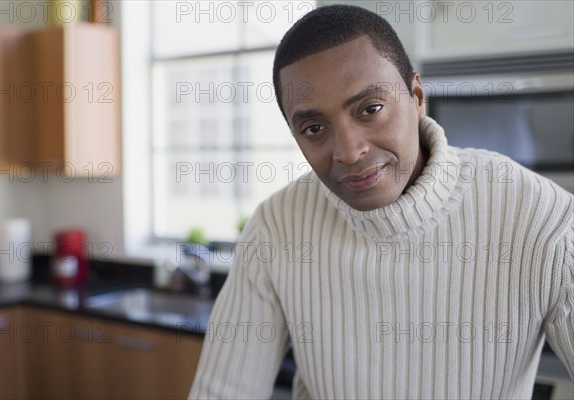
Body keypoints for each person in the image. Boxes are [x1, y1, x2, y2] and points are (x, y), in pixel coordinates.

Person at [189, 4, 573, 399]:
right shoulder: (278, 227)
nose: (349, 151)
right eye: (314, 128)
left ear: (416, 97)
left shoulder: (542, 217)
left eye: (370, 109)